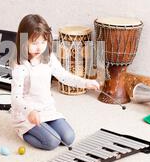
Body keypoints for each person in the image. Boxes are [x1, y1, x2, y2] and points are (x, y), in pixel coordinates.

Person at [10, 14, 100, 150]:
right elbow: (16, 98)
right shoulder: (20, 66)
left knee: (68, 138)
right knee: (52, 142)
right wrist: (29, 112)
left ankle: (46, 127)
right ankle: (21, 131)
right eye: (34, 43)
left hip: (46, 109)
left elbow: (63, 76)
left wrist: (85, 82)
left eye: (43, 42)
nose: (39, 48)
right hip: (27, 114)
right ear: (23, 41)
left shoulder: (48, 57)